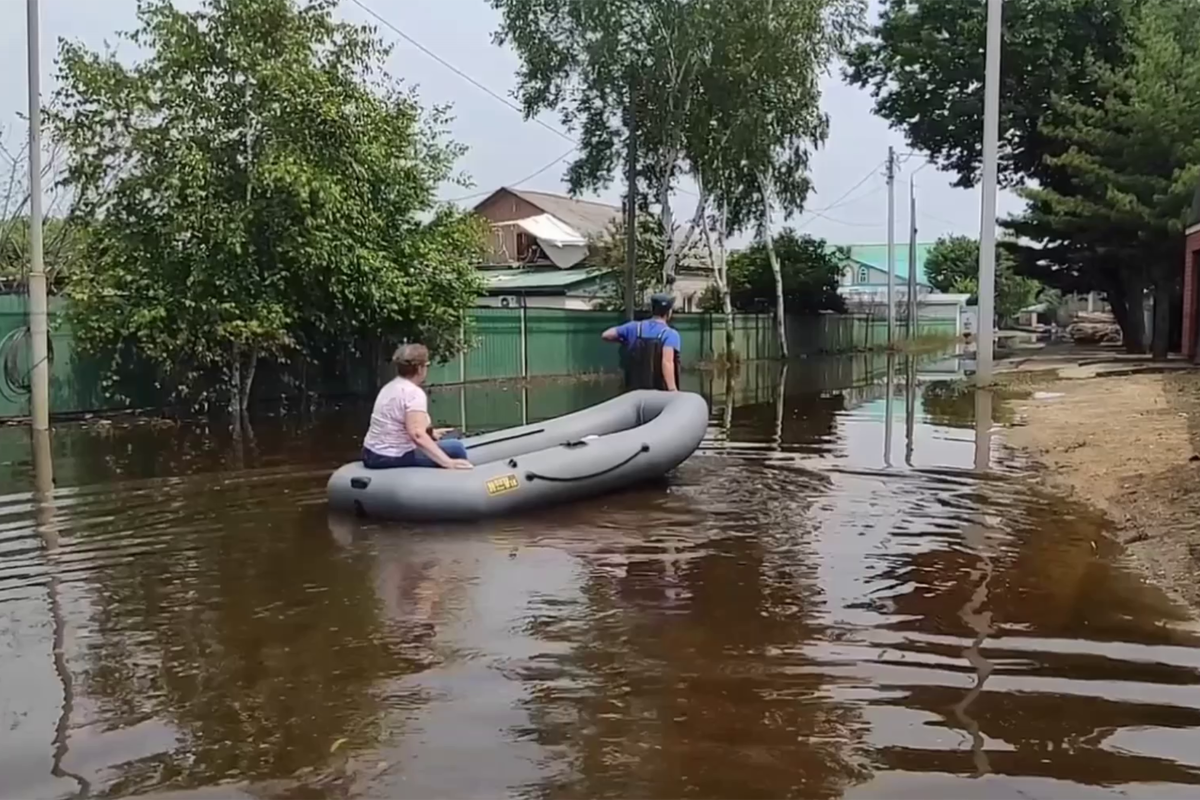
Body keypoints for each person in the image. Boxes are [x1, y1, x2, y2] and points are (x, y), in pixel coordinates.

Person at [361, 343, 473, 470]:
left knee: (448, 437)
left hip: (370, 453)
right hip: (390, 456)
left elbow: (402, 425)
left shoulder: (389, 388)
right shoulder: (413, 393)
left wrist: (431, 433)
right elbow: (417, 434)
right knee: (456, 448)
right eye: (426, 365)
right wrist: (448, 462)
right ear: (420, 368)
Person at [601, 292, 681, 391]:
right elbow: (667, 362)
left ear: (652, 310)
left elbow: (606, 335)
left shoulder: (634, 327)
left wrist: (625, 340)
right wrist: (673, 390)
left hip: (633, 392)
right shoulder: (670, 334)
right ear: (668, 312)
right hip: (658, 394)